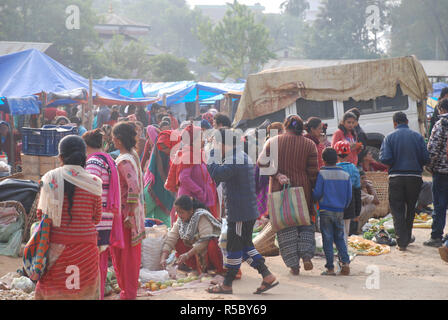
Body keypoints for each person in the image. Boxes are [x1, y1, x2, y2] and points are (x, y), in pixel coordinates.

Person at [207, 128, 278, 295]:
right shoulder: (240, 156)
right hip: (245, 210)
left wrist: (212, 154)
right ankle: (267, 275)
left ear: (223, 144)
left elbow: (216, 174)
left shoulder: (235, 159)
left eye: (217, 143)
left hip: (239, 212)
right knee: (246, 246)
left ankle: (227, 284)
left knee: (234, 247)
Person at [34, 135, 103, 300]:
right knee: (85, 292)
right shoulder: (94, 182)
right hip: (87, 248)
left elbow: (42, 215)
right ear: (84, 157)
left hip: (57, 248)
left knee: (53, 290)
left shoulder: (50, 179)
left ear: (60, 157)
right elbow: (96, 218)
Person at [258, 115, 318, 276]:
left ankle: (293, 266)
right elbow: (313, 172)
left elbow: (261, 162)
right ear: (301, 127)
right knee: (304, 223)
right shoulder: (309, 144)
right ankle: (306, 256)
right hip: (303, 189)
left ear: (285, 126)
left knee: (285, 227)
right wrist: (313, 191)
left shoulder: (273, 141)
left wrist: (277, 175)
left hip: (280, 189)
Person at [82, 129, 124, 300]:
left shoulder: (93, 162)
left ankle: (95, 295)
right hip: (107, 216)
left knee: (93, 263)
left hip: (97, 218)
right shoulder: (107, 159)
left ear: (85, 145)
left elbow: (91, 190)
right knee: (100, 261)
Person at [379, 112, 430, 251]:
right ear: (407, 122)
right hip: (414, 177)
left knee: (397, 209)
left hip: (396, 177)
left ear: (394, 123)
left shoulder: (389, 137)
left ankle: (402, 241)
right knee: (411, 208)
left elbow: (385, 159)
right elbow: (426, 158)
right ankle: (406, 236)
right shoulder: (418, 136)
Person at [111, 122, 146, 300]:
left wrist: (129, 214)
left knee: (125, 257)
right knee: (130, 256)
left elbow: (133, 187)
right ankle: (128, 290)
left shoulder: (124, 160)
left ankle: (128, 292)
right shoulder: (132, 155)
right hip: (133, 213)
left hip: (127, 216)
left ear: (118, 140)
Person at [165, 124, 219, 219]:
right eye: (201, 137)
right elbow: (184, 178)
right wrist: (200, 192)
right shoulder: (188, 154)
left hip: (198, 199)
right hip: (190, 201)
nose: (203, 140)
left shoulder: (198, 153)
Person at [160, 195, 224, 274]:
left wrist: (187, 255)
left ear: (190, 211)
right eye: (177, 212)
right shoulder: (181, 220)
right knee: (178, 241)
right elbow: (171, 238)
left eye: (182, 212)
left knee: (212, 243)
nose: (179, 215)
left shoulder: (201, 216)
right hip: (197, 252)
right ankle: (196, 268)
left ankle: (219, 270)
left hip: (210, 251)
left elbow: (205, 240)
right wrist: (163, 258)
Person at [312, 148, 352, 276]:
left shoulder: (322, 174)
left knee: (327, 239)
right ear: (337, 159)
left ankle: (330, 268)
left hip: (325, 210)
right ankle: (345, 263)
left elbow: (317, 193)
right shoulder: (345, 175)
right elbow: (349, 196)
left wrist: (312, 198)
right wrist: (343, 206)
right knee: (340, 237)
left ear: (323, 160)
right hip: (340, 210)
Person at [424, 98, 448, 248]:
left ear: (441, 110)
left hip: (442, 172)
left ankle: (436, 236)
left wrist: (429, 166)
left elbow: (433, 150)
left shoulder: (441, 124)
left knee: (439, 205)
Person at [144, 130, 177, 226]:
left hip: (157, 189)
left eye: (166, 147)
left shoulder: (176, 156)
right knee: (161, 222)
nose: (163, 150)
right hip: (164, 191)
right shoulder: (163, 151)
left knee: (162, 223)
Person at [334, 141, 362, 243]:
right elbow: (357, 191)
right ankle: (345, 248)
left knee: (338, 228)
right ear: (349, 153)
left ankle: (339, 249)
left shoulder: (334, 168)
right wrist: (357, 211)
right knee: (346, 227)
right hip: (350, 202)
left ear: (336, 154)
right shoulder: (354, 168)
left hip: (336, 203)